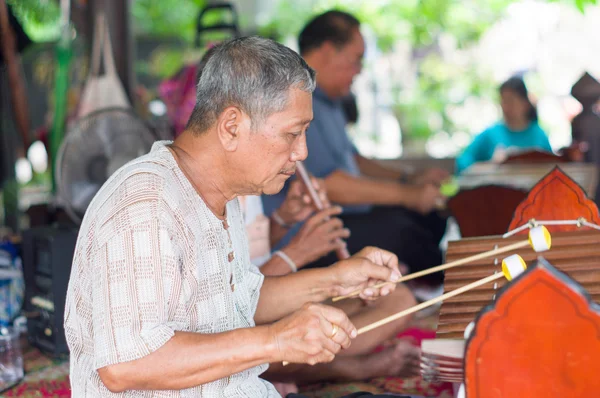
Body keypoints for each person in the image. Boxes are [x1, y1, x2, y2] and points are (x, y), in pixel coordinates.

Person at [64, 36, 406, 397]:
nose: (301, 152)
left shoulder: (223, 196)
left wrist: (338, 280)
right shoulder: (144, 203)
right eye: (292, 134)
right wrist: (275, 340)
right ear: (231, 127)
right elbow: (125, 364)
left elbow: (241, 300)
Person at [261, 11, 450, 287]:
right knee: (405, 230)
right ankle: (425, 303)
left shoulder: (331, 101)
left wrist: (407, 179)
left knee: (429, 217)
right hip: (307, 232)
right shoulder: (295, 101)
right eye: (356, 58)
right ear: (327, 51)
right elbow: (329, 184)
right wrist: (406, 194)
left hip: (344, 217)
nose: (360, 69)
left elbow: (353, 160)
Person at [456, 76, 552, 173]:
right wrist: (491, 165)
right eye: (503, 101)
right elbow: (463, 163)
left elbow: (554, 170)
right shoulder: (491, 134)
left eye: (511, 101)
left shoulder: (539, 135)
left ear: (525, 103)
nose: (506, 107)